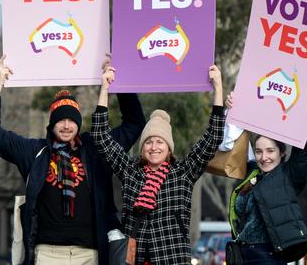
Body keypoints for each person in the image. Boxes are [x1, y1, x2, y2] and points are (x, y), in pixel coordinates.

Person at [0, 55, 146, 265]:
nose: (66, 125)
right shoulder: (34, 152)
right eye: (60, 120)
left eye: (71, 120)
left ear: (78, 123)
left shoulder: (97, 148)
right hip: (47, 253)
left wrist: (118, 82)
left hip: (90, 253)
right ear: (51, 124)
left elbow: (134, 124)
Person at [92, 65, 225, 265]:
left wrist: (218, 88)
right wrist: (104, 88)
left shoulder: (183, 173)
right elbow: (101, 136)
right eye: (148, 142)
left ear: (169, 149)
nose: (154, 147)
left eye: (160, 142)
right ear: (142, 147)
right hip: (134, 259)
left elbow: (213, 137)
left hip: (172, 258)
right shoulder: (131, 173)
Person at [225, 70, 307, 264]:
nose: (264, 157)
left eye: (270, 151)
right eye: (258, 151)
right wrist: (231, 109)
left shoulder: (289, 176)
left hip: (269, 257)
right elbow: (230, 139)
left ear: (282, 152)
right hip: (241, 255)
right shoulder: (251, 172)